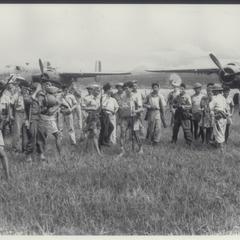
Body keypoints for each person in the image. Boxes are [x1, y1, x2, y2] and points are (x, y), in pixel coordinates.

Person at [36, 79, 62, 161]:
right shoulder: (41, 95)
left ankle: (60, 154)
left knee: (57, 135)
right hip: (44, 118)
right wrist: (57, 106)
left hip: (51, 119)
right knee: (42, 137)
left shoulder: (53, 96)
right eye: (46, 85)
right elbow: (47, 111)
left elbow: (56, 104)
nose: (48, 86)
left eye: (49, 85)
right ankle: (41, 155)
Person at [118, 81, 143, 154]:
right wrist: (122, 108)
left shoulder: (136, 96)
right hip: (125, 118)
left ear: (131, 88)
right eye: (125, 89)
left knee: (136, 134)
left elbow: (141, 108)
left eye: (128, 88)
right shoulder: (123, 96)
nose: (126, 90)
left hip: (134, 117)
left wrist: (135, 111)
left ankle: (140, 148)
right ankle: (122, 150)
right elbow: (121, 107)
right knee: (122, 133)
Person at [82, 85, 102, 156]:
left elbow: (99, 108)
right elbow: (83, 108)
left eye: (99, 91)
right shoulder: (87, 98)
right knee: (94, 134)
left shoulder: (98, 99)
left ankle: (85, 150)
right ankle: (97, 152)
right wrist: (92, 109)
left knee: (92, 135)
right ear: (93, 91)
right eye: (96, 90)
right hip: (91, 117)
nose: (97, 92)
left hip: (97, 117)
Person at [209, 83, 228, 151]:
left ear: (217, 91)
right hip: (224, 117)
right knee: (222, 132)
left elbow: (209, 107)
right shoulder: (223, 98)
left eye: (214, 90)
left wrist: (212, 113)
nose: (213, 92)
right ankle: (217, 145)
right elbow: (226, 108)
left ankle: (221, 149)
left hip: (218, 117)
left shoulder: (215, 98)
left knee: (218, 133)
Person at [0, 80, 10, 180]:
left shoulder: (5, 98)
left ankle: (8, 178)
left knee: (2, 153)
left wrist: (2, 123)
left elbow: (5, 113)